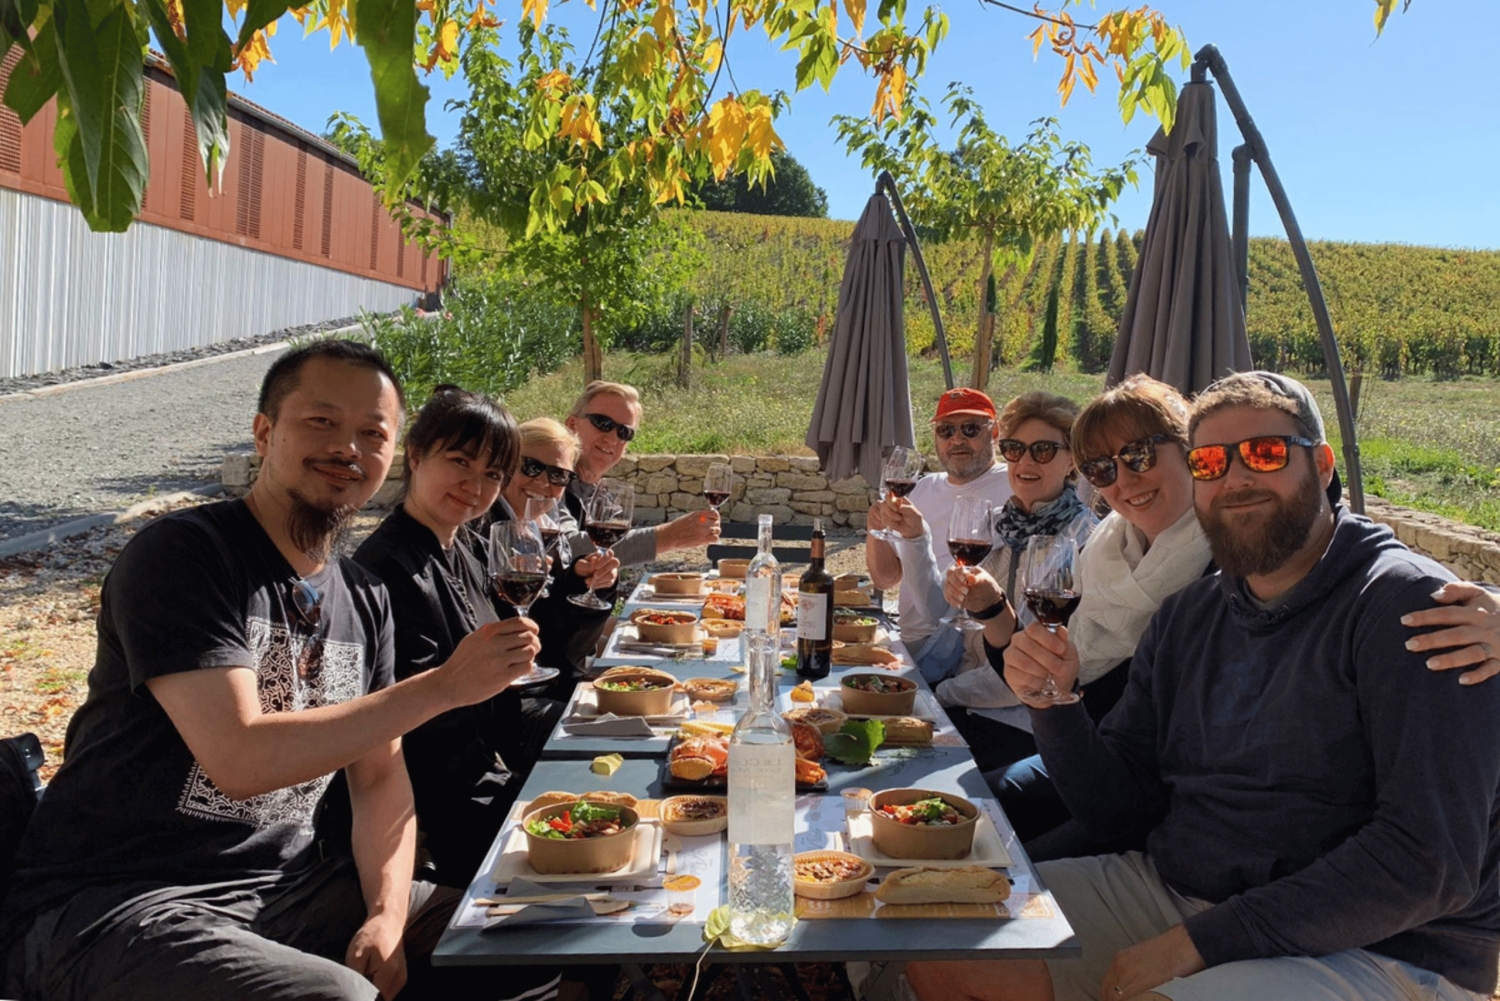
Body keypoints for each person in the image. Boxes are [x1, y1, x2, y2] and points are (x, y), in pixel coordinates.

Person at [907, 371, 1500, 1001]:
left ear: (1323, 465)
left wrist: (1204, 942)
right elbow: (1119, 809)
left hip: (1383, 946)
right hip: (1184, 890)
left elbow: (1428, 864)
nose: (1236, 478)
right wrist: (1054, 704)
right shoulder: (1192, 614)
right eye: (1212, 462)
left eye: (1266, 453)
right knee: (940, 942)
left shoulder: (1413, 611)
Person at [0, 341, 544, 1001]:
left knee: (518, 942)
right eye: (321, 420)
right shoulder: (185, 556)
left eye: (371, 433)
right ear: (264, 431)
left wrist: (387, 913)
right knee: (340, 995)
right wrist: (444, 687)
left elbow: (379, 779)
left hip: (287, 887)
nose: (348, 446)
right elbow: (240, 755)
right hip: (120, 902)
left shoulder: (365, 598)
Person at [351, 388, 569, 888]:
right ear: (415, 454)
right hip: (438, 808)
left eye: (492, 473)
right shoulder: (384, 571)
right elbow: (417, 737)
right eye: (460, 461)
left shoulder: (463, 548)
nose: (475, 485)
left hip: (487, 773)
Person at [918, 391, 1099, 770]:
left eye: (1044, 450)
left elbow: (1029, 670)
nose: (1026, 461)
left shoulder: (1082, 541)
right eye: (1015, 448)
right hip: (963, 706)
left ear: (1072, 461)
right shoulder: (995, 524)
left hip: (1020, 726)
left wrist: (940, 693)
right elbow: (953, 630)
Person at [866, 387, 1013, 682]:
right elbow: (885, 579)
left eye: (970, 428)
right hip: (908, 644)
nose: (957, 439)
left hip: (962, 653)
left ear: (994, 432)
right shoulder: (920, 488)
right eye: (946, 430)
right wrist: (876, 529)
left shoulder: (1014, 484)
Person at [492, 416, 620, 698]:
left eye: (558, 475)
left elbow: (565, 649)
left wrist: (583, 583)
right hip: (505, 708)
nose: (542, 481)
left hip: (551, 687)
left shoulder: (542, 529)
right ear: (505, 465)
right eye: (531, 466)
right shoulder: (483, 532)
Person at [563, 380, 720, 565]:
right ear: (572, 425)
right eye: (603, 423)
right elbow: (563, 547)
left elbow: (603, 565)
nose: (612, 438)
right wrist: (668, 537)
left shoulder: (602, 496)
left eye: (624, 432)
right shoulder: (545, 479)